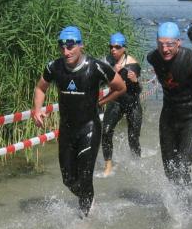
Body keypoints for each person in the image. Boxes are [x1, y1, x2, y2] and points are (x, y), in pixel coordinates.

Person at [32, 26, 125, 216]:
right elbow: (41, 88)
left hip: (89, 129)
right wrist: (37, 109)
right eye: (62, 47)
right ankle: (89, 200)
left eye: (70, 47)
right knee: (68, 180)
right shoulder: (54, 67)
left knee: (85, 177)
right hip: (66, 131)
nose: (66, 52)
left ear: (81, 45)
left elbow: (120, 87)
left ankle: (85, 219)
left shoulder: (96, 67)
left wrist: (102, 102)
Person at [147, 21, 192, 189]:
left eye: (170, 44)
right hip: (168, 118)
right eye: (161, 44)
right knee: (170, 170)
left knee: (181, 168)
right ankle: (182, 201)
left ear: (179, 42)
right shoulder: (153, 58)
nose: (165, 49)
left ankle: (187, 203)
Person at [101, 32, 142, 177]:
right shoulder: (107, 61)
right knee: (106, 132)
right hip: (116, 101)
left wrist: (135, 81)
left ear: (124, 48)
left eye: (117, 47)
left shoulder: (133, 64)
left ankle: (136, 163)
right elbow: (101, 81)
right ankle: (108, 166)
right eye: (111, 47)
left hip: (132, 102)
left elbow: (138, 90)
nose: (113, 50)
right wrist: (113, 72)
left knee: (133, 137)